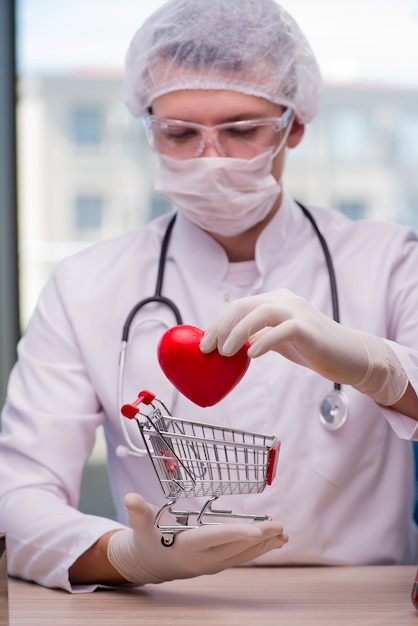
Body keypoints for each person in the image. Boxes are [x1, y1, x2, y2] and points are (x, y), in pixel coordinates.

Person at [1, 0, 418, 593]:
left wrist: (378, 368)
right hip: (162, 606)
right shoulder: (85, 285)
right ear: (148, 129)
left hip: (364, 601)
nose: (210, 159)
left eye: (242, 130)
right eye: (179, 133)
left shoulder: (391, 259)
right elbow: (15, 494)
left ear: (294, 125)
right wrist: (124, 557)